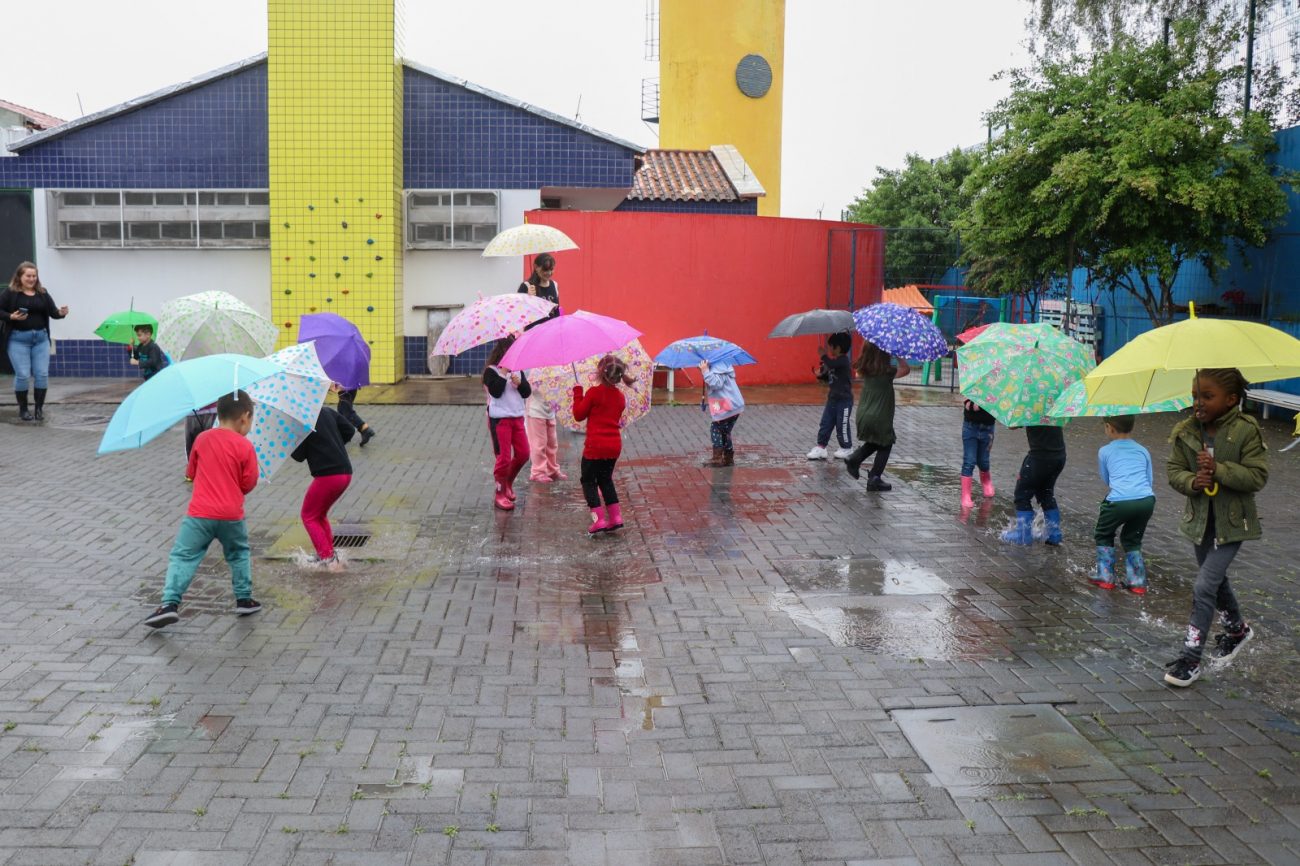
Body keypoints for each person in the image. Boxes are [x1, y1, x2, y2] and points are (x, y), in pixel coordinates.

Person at [1163, 368, 1267, 688]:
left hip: (1232, 526)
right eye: (1195, 396)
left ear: (1231, 400)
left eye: (1207, 396)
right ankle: (1236, 630)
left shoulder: (1245, 430)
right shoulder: (1185, 432)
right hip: (1200, 525)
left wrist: (1219, 469)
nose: (1199, 403)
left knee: (1204, 586)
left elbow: (1257, 476)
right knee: (1216, 582)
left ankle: (1190, 659)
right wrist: (1193, 481)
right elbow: (1173, 471)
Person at [144, 391, 262, 629]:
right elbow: (248, 483)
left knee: (183, 555)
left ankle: (169, 604)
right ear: (245, 417)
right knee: (238, 554)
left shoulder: (202, 439)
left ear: (218, 414)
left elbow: (191, 472)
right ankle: (243, 599)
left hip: (199, 514)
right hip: (231, 515)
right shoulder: (245, 446)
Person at [1093, 415, 1156, 593]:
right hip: (1146, 500)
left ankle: (1105, 576)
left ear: (1109, 427)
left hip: (1119, 501)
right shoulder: (1143, 450)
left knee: (1103, 534)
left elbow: (1106, 478)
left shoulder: (1104, 451)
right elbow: (1149, 479)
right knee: (1132, 539)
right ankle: (1137, 581)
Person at [290, 405, 355, 570]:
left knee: (309, 516)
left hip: (328, 476)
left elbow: (298, 456)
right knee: (319, 514)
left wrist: (288, 438)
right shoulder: (326, 410)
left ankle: (328, 560)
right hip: (345, 472)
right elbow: (349, 430)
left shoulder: (303, 423)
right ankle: (329, 554)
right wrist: (334, 444)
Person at [1, 262, 68, 421]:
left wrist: (61, 312)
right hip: (18, 339)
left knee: (42, 374)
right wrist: (11, 316)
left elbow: (53, 313)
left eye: (34, 276)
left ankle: (39, 409)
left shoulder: (42, 293)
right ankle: (23, 409)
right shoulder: (10, 293)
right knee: (23, 375)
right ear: (20, 277)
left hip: (40, 339)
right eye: (28, 276)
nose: (31, 279)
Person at [573, 355, 631, 534]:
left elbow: (579, 415)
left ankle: (598, 520)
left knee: (588, 481)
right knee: (606, 480)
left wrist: (577, 394)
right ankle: (615, 518)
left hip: (595, 447)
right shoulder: (620, 397)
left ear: (600, 373)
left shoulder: (593, 393)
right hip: (613, 446)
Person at [844, 341, 910, 491]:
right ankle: (874, 477)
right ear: (884, 354)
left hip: (863, 414)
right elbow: (906, 369)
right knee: (886, 443)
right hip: (879, 416)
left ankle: (854, 459)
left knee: (877, 442)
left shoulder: (864, 369)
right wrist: (898, 354)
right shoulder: (887, 372)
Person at [483, 337, 531, 511]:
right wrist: (503, 373)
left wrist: (519, 384)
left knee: (524, 454)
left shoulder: (518, 371)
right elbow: (495, 392)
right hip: (500, 420)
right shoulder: (491, 372)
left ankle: (508, 482)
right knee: (503, 458)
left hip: (518, 418)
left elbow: (527, 392)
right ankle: (500, 493)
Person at [1002, 425, 1068, 545]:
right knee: (1046, 493)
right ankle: (1054, 534)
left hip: (1039, 458)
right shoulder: (1053, 407)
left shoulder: (1031, 408)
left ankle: (1022, 535)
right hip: (1059, 456)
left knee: (1022, 495)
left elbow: (1013, 425)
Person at [807, 332, 854, 461]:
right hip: (832, 399)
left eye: (830, 347)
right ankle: (821, 447)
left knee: (842, 424)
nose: (829, 350)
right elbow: (829, 376)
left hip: (844, 400)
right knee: (826, 423)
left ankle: (847, 447)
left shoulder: (843, 361)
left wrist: (823, 355)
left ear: (838, 348)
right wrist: (820, 375)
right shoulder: (835, 363)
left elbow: (832, 365)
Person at [701, 358, 745, 467]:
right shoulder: (721, 364)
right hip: (731, 404)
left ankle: (717, 459)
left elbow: (716, 384)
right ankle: (728, 458)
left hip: (728, 405)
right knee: (724, 431)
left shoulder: (719, 367)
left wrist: (705, 371)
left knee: (716, 428)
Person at [960, 398, 997, 508]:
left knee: (983, 461)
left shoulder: (997, 388)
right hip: (970, 427)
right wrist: (971, 404)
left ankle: (986, 482)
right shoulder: (973, 385)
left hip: (988, 429)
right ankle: (965, 495)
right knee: (969, 461)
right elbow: (968, 405)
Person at [525, 392, 566, 483]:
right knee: (539, 444)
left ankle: (552, 469)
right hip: (535, 412)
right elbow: (526, 389)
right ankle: (538, 472)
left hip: (550, 411)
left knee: (552, 443)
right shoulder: (534, 377)